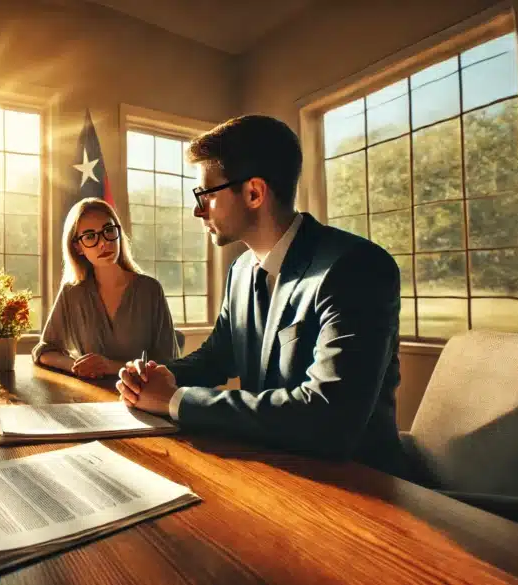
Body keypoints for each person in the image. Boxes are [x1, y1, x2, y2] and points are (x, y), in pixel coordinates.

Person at [116, 115, 406, 477]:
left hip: (359, 487)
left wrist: (175, 400)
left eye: (204, 194)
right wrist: (152, 378)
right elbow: (217, 358)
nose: (197, 209)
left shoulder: (355, 268)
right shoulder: (240, 271)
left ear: (254, 192)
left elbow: (328, 418)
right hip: (274, 469)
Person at [33, 197, 179, 379]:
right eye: (90, 236)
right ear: (78, 247)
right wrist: (76, 366)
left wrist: (110, 367)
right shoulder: (72, 292)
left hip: (142, 396)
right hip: (87, 396)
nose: (104, 243)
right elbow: (44, 350)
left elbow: (169, 361)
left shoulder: (150, 290)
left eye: (108, 230)